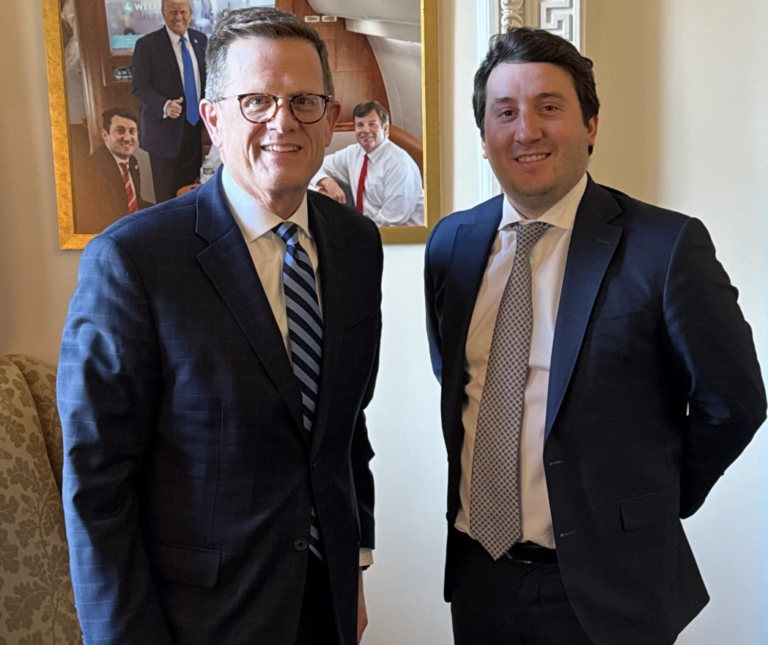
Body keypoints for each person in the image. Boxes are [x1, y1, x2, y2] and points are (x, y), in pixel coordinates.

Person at [424, 27, 765, 645]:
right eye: (505, 112)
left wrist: (652, 502)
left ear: (591, 126)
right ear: (484, 136)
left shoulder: (665, 247)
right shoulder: (452, 244)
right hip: (480, 577)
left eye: (549, 107)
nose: (526, 130)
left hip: (614, 588)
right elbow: (455, 381)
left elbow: (733, 402)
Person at [59, 8, 382, 645]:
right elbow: (97, 483)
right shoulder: (133, 259)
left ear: (329, 116)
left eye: (304, 101)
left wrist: (355, 565)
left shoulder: (356, 243)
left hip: (325, 601)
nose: (283, 122)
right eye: (257, 101)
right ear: (212, 118)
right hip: (199, 619)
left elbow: (346, 426)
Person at [131, 0, 206, 203]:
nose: (178, 17)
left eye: (183, 11)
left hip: (194, 131)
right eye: (173, 12)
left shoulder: (201, 40)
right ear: (163, 14)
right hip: (163, 135)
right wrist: (164, 105)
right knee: (166, 199)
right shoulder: (147, 45)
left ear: (190, 13)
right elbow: (139, 87)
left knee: (191, 195)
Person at [314, 101, 423, 226]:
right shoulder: (353, 153)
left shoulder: (399, 164)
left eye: (372, 124)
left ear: (385, 128)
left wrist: (358, 232)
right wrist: (327, 182)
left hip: (405, 235)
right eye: (360, 125)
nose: (365, 130)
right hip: (369, 228)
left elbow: (392, 220)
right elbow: (314, 166)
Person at [74, 108, 152, 233]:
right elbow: (96, 217)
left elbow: (135, 202)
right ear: (105, 135)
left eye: (132, 132)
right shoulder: (92, 168)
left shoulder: (132, 162)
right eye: (120, 131)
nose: (127, 138)